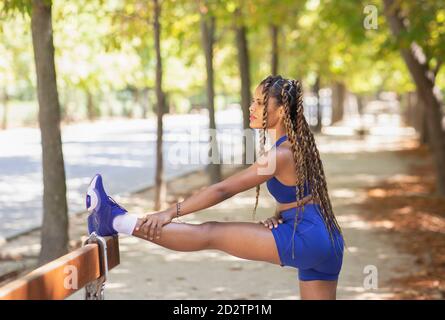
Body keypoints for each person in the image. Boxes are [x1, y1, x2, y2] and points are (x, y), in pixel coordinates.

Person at [86, 75, 345, 300]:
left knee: (211, 233)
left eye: (259, 102)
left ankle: (116, 220)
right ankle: (114, 218)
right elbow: (301, 194)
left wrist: (170, 212)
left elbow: (224, 190)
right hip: (326, 240)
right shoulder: (294, 146)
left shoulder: (281, 154)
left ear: (280, 111)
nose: (251, 107)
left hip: (308, 237)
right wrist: (281, 217)